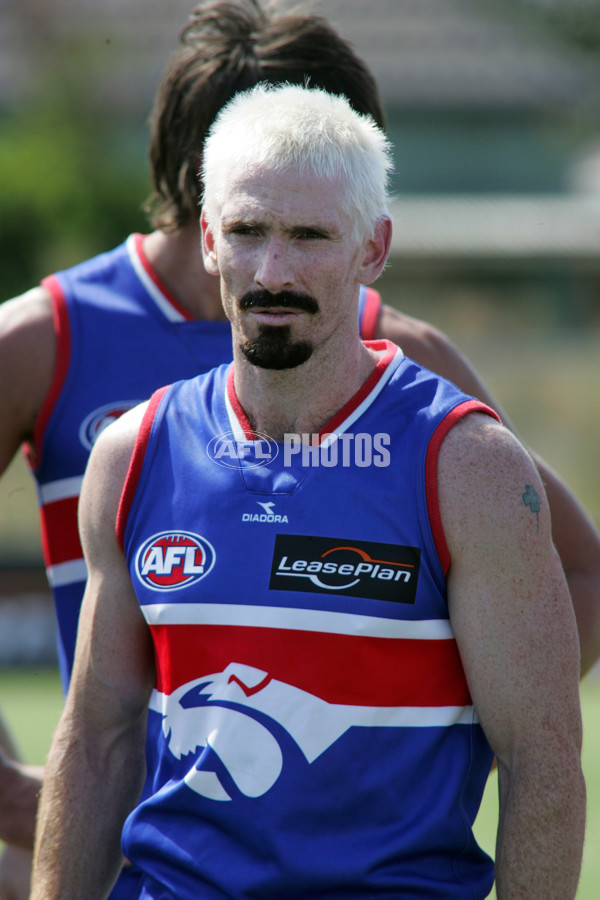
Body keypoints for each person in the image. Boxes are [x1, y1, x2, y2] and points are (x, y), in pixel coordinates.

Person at [0, 0, 598, 893]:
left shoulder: (444, 425)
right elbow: (100, 731)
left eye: (312, 231)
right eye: (248, 227)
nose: (274, 270)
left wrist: (426, 721)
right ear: (208, 222)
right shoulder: (84, 383)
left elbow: (556, 676)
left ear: (371, 243)